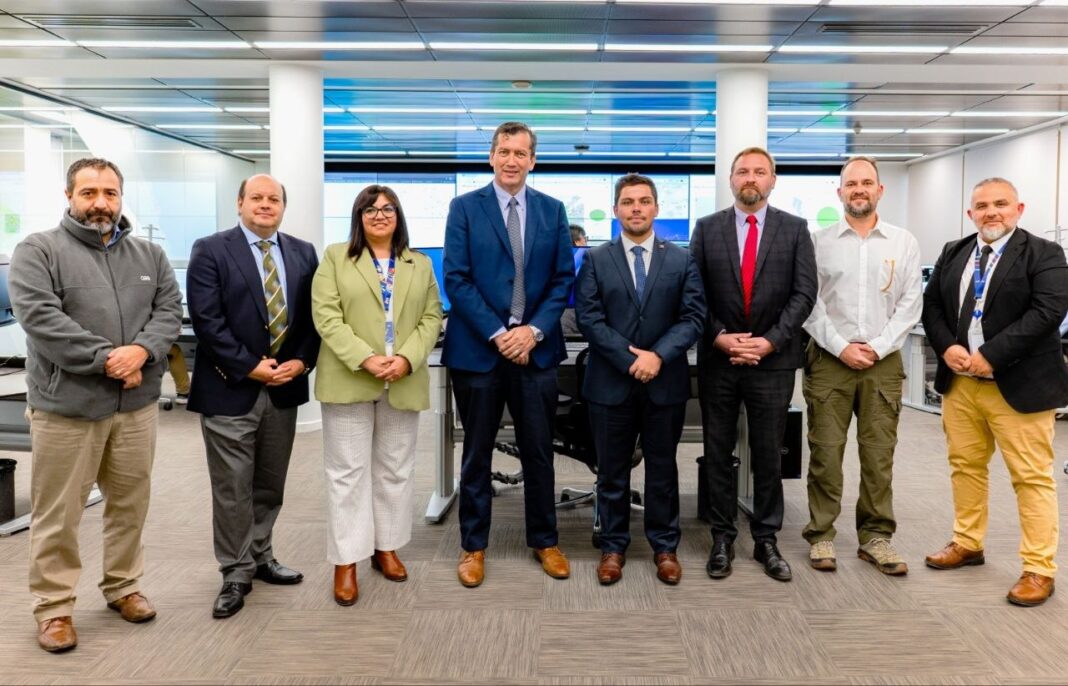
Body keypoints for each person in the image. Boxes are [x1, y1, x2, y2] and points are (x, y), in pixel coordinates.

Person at [9, 158, 183, 652]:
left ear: (121, 197)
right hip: (67, 407)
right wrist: (109, 360)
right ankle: (54, 608)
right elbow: (42, 319)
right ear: (69, 196)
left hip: (136, 405)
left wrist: (141, 352)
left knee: (129, 504)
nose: (100, 203)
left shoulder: (149, 255)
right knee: (58, 513)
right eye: (89, 193)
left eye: (110, 193)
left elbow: (169, 311)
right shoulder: (38, 250)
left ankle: (123, 586)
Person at [921, 177, 1068, 607]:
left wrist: (992, 354)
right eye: (982, 206)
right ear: (971, 213)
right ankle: (968, 543)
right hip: (962, 384)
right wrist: (946, 346)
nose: (991, 212)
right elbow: (932, 305)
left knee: (1031, 477)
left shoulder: (1044, 253)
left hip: (1019, 384)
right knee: (965, 467)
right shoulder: (954, 251)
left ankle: (1039, 568)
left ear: (1019, 209)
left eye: (1001, 204)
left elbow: (1047, 311)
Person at [442, 121, 575, 587]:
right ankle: (473, 546)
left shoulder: (552, 210)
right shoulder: (464, 208)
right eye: (504, 151)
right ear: (491, 157)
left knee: (538, 451)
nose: (511, 160)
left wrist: (532, 332)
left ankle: (545, 540)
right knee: (476, 453)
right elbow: (456, 278)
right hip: (479, 351)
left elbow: (562, 279)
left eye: (521, 153)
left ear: (533, 160)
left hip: (535, 353)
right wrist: (501, 334)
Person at [186, 174, 321, 619]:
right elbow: (207, 321)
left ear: (283, 206)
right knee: (232, 487)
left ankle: (261, 555)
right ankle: (235, 570)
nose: (265, 204)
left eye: (273, 199)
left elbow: (313, 319)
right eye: (257, 198)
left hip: (284, 387)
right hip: (230, 386)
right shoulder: (211, 249)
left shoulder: (303, 252)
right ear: (240, 203)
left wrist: (302, 361)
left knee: (269, 483)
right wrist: (248, 365)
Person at [690, 146, 817, 583]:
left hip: (773, 361)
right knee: (718, 451)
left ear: (772, 180)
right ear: (731, 179)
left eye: (760, 172)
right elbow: (694, 292)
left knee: (768, 454)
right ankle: (722, 537)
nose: (751, 178)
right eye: (743, 171)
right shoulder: (707, 228)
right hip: (719, 359)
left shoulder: (795, 229)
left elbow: (804, 293)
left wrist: (770, 341)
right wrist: (719, 336)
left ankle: (766, 538)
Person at [312, 185, 443, 606]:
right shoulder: (336, 257)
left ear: (398, 216)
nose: (379, 214)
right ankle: (347, 560)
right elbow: (326, 316)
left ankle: (386, 546)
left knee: (395, 469)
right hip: (350, 376)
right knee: (347, 473)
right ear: (358, 217)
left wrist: (406, 358)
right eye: (370, 209)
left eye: (388, 208)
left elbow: (432, 317)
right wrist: (366, 358)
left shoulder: (419, 263)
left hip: (403, 377)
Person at [574, 173, 705, 585]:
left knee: (662, 470)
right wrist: (632, 359)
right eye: (628, 202)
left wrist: (658, 356)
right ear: (616, 210)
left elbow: (693, 317)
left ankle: (665, 547)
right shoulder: (596, 260)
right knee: (612, 472)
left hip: (664, 382)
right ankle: (612, 547)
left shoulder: (681, 259)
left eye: (644, 201)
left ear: (656, 208)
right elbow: (589, 319)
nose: (636, 208)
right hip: (610, 382)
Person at [801, 156, 922, 575]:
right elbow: (809, 303)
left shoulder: (903, 242)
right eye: (851, 183)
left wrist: (876, 347)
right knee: (825, 453)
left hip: (882, 363)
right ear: (839, 192)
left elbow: (910, 304)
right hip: (829, 361)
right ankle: (821, 534)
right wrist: (841, 347)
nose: (859, 189)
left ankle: (876, 537)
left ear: (879, 190)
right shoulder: (818, 242)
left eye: (866, 182)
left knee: (878, 455)